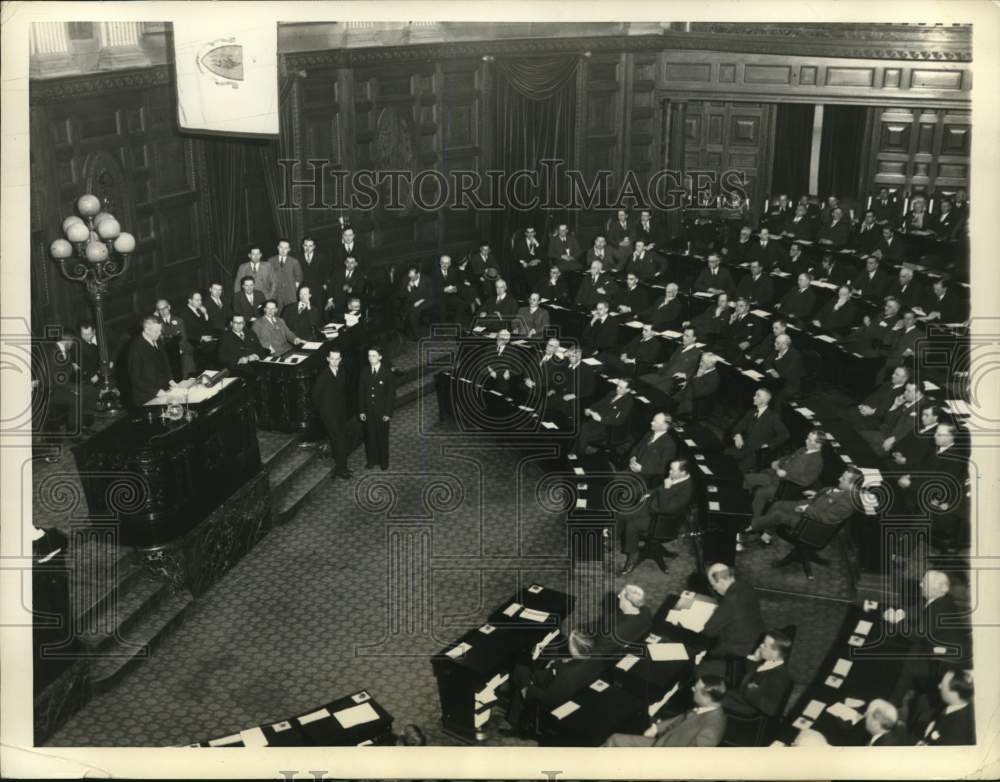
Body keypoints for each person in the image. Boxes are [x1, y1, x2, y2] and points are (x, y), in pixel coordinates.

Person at [502, 629, 605, 737]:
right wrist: (559, 664)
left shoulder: (566, 675)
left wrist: (529, 690)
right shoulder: (597, 655)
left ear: (574, 650)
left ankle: (517, 725)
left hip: (561, 699)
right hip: (580, 689)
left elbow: (550, 699)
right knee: (531, 674)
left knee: (521, 674)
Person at [616, 458, 695, 575]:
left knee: (631, 525)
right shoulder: (676, 477)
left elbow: (665, 509)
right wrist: (650, 493)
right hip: (652, 507)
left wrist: (667, 489)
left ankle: (632, 558)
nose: (669, 472)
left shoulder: (687, 490)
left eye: (672, 470)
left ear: (683, 472)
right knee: (622, 512)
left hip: (661, 520)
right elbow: (659, 489)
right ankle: (613, 537)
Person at [603, 676, 727, 747]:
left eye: (696, 689)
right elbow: (683, 718)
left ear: (706, 697)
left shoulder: (710, 733)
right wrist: (657, 728)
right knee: (614, 740)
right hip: (662, 743)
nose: (692, 688)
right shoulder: (708, 708)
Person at [747, 468, 861, 543]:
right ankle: (766, 535)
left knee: (778, 515)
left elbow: (827, 518)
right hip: (810, 507)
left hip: (811, 523)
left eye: (844, 479)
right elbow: (831, 499)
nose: (839, 478)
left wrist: (807, 509)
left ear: (852, 485)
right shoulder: (845, 491)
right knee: (778, 504)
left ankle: (750, 527)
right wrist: (817, 494)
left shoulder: (848, 502)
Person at [742, 429, 825, 518]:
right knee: (748, 479)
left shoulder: (817, 462)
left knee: (760, 492)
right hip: (775, 476)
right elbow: (788, 458)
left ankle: (755, 520)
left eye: (809, 440)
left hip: (784, 487)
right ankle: (745, 505)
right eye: (807, 438)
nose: (806, 441)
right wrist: (778, 462)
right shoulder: (803, 449)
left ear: (818, 444)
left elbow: (806, 481)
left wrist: (786, 475)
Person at [702, 563, 766, 664]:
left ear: (722, 581)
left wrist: (716, 614)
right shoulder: (746, 586)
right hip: (758, 637)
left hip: (741, 649)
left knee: (705, 650)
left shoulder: (730, 601)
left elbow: (709, 630)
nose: (714, 589)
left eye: (714, 585)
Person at [722, 630, 794, 718]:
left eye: (764, 644)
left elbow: (771, 709)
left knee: (711, 699)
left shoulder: (780, 677)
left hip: (752, 710)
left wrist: (753, 690)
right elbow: (753, 677)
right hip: (742, 698)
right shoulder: (770, 663)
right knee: (715, 691)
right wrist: (755, 659)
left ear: (775, 652)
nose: (760, 646)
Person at [313, 349, 360, 480]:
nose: (335, 361)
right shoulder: (323, 376)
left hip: (340, 413)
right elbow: (316, 397)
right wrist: (325, 414)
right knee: (339, 440)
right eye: (332, 358)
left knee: (340, 440)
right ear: (328, 359)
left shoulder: (342, 372)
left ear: (340, 360)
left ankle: (341, 467)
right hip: (329, 416)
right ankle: (341, 469)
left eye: (337, 359)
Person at [726, 388, 789, 472]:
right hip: (744, 447)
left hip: (757, 453)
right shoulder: (751, 412)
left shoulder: (773, 417)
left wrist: (768, 445)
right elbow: (737, 427)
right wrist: (737, 435)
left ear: (765, 400)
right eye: (755, 394)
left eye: (758, 396)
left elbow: (784, 434)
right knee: (724, 455)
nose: (754, 397)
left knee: (737, 469)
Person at [573, 378, 634, 456]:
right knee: (581, 427)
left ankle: (579, 455)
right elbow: (599, 404)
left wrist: (601, 419)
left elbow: (620, 421)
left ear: (628, 390)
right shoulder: (612, 393)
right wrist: (590, 408)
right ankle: (577, 454)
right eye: (617, 386)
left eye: (621, 387)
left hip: (609, 428)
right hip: (597, 422)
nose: (617, 388)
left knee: (583, 430)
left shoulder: (628, 402)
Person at [358, 346, 395, 470]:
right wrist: (362, 410)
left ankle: (384, 462)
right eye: (369, 355)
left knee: (382, 438)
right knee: (370, 437)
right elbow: (361, 393)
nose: (370, 358)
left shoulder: (387, 373)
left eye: (373, 356)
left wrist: (388, 413)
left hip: (382, 412)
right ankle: (371, 461)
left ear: (380, 357)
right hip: (368, 412)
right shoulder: (365, 371)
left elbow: (391, 395)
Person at [127, 315, 175, 406]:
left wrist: (171, 380)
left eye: (160, 330)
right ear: (146, 330)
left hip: (162, 390)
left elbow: (165, 364)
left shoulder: (156, 339)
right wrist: (155, 391)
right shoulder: (136, 348)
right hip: (146, 397)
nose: (159, 333)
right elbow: (135, 378)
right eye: (156, 331)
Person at [917, 669, 974, 746]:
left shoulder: (958, 730)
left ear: (954, 694)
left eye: (943, 684)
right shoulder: (953, 710)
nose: (939, 686)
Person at [640, 327, 700, 395]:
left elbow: (696, 372)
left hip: (671, 381)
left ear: (694, 338)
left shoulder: (697, 354)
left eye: (687, 336)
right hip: (662, 375)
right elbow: (671, 362)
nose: (684, 338)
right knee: (640, 381)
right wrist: (663, 365)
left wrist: (686, 375)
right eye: (683, 335)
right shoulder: (680, 347)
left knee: (652, 393)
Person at [625, 412, 676, 487]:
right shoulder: (649, 434)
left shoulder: (669, 445)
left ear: (665, 426)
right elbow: (636, 448)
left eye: (655, 422)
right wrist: (633, 457)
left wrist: (642, 469)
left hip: (647, 477)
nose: (651, 422)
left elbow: (664, 469)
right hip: (633, 468)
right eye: (653, 420)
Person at [154, 298, 194, 379]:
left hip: (181, 348)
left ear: (169, 307)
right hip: (167, 351)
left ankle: (188, 378)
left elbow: (183, 337)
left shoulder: (179, 320)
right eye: (159, 309)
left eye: (164, 308)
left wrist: (180, 350)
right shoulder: (157, 323)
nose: (162, 311)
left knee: (186, 357)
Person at [673, 352, 720, 417]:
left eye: (703, 362)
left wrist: (698, 376)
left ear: (711, 364)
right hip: (684, 394)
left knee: (671, 407)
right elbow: (691, 376)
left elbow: (696, 393)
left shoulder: (714, 379)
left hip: (694, 404)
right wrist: (686, 380)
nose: (700, 363)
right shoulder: (703, 367)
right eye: (701, 360)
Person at [217, 314, 263, 379]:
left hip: (255, 363)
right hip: (237, 367)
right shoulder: (225, 337)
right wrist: (239, 360)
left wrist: (256, 355)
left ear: (244, 323)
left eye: (241, 323)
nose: (239, 325)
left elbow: (260, 349)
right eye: (236, 323)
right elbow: (222, 357)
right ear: (231, 323)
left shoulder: (250, 333)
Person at [762, 334, 805, 402]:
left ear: (785, 345)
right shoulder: (776, 349)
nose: (774, 344)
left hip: (790, 384)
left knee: (776, 397)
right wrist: (771, 370)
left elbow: (784, 374)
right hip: (777, 381)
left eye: (777, 343)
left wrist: (778, 359)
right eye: (775, 342)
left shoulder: (795, 356)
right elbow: (766, 362)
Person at [269, 238, 303, 310]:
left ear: (289, 249)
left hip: (290, 294)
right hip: (276, 294)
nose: (283, 250)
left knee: (291, 312)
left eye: (286, 248)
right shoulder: (270, 261)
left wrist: (293, 290)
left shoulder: (294, 262)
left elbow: (299, 279)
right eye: (281, 247)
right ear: (278, 247)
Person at [401, 266, 433, 339]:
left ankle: (416, 334)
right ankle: (415, 334)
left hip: (426, 299)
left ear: (418, 274)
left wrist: (419, 301)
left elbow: (430, 294)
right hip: (412, 300)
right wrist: (408, 287)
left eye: (412, 276)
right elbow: (401, 293)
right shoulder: (406, 279)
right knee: (410, 310)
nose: (410, 277)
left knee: (414, 310)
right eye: (409, 275)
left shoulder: (427, 279)